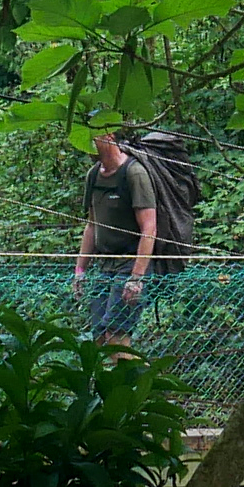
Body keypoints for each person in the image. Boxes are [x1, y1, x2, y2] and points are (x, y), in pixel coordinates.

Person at [73, 128, 168, 344]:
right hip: (105, 265)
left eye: (91, 138)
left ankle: (144, 379)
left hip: (129, 265)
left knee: (116, 338)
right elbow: (92, 225)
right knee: (98, 340)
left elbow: (149, 228)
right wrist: (80, 270)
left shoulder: (134, 173)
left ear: (108, 136)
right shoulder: (94, 175)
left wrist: (136, 278)